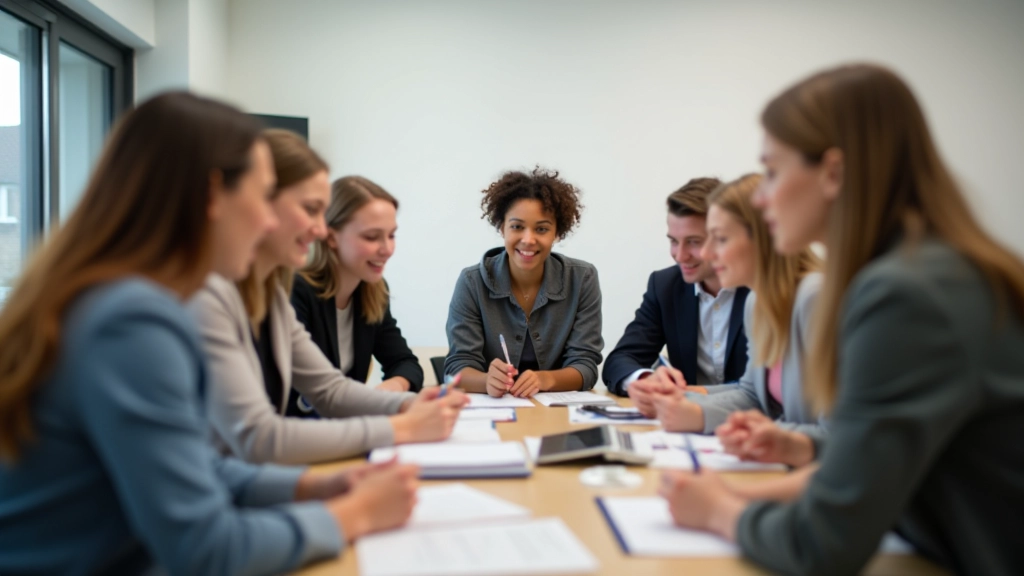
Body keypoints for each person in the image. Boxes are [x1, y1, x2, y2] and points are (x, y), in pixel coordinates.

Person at [0, 93, 418, 576]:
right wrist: (357, 512)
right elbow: (205, 549)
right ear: (213, 195)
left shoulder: (120, 299)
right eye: (263, 198)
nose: (267, 222)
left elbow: (194, 466)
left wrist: (311, 488)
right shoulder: (132, 321)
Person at [659, 64, 1024, 576]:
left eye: (774, 173)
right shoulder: (923, 271)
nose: (763, 200)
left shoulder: (906, 293)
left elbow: (823, 545)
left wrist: (721, 511)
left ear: (832, 173)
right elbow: (861, 462)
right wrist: (735, 486)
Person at [189, 129, 465, 465]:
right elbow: (260, 436)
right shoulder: (213, 294)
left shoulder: (269, 292)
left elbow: (330, 390)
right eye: (310, 209)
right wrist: (402, 426)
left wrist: (408, 405)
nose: (320, 229)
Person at [634, 174, 825, 467]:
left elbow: (849, 437)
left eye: (720, 239)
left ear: (764, 237)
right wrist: (686, 403)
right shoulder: (759, 302)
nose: (708, 253)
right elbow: (752, 395)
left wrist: (769, 434)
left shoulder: (816, 298)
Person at [445, 167, 603, 398]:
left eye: (541, 229)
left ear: (557, 233)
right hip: (495, 415)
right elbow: (457, 367)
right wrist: (487, 381)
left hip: (556, 416)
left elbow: (586, 367)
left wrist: (545, 378)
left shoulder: (582, 279)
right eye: (517, 227)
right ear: (502, 228)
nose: (528, 240)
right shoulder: (472, 282)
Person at [290, 175, 422, 421]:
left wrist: (390, 390)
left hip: (345, 431)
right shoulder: (296, 292)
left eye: (391, 235)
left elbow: (406, 364)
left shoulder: (372, 291)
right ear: (331, 237)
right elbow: (300, 400)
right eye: (372, 237)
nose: (387, 249)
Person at [603, 178, 749, 397]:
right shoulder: (665, 286)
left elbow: (769, 387)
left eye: (694, 242)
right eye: (673, 241)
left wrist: (696, 394)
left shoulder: (762, 288)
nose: (680, 256)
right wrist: (646, 379)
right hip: (685, 423)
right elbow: (620, 361)